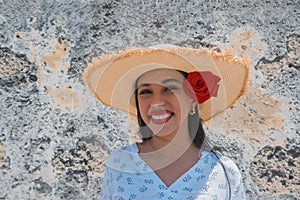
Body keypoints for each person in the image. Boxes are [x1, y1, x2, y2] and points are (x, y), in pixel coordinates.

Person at [84, 45, 250, 200]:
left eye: (169, 89)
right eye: (146, 91)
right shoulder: (120, 163)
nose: (157, 102)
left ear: (193, 100)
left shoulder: (224, 171)